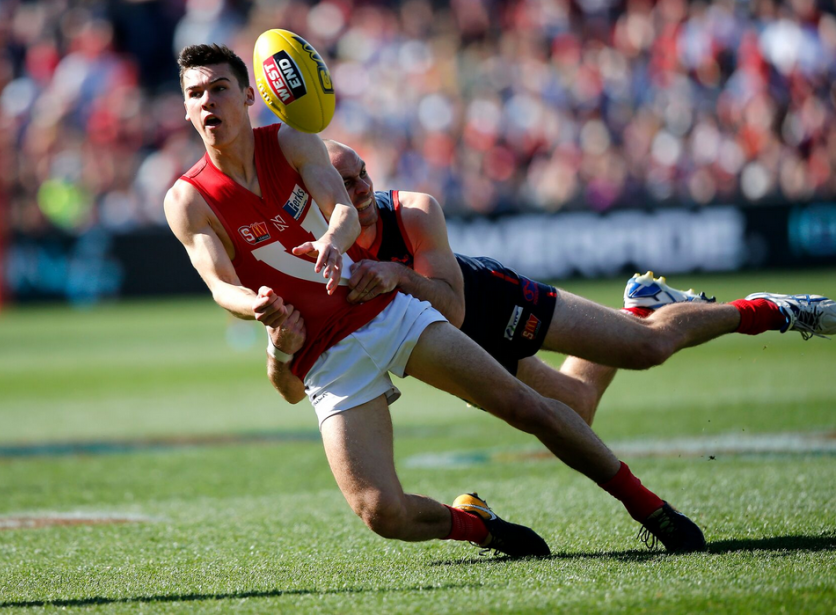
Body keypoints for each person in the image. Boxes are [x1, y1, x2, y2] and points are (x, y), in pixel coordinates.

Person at [164, 43, 708, 557]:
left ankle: (649, 509)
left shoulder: (292, 141)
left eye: (218, 88)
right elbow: (219, 284)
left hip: (380, 308)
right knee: (382, 512)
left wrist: (333, 237)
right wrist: (255, 303)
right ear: (186, 109)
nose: (207, 101)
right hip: (326, 358)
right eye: (195, 94)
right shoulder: (187, 199)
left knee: (528, 406)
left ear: (247, 96)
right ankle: (478, 526)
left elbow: (345, 212)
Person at [264, 140, 836, 425]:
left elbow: (454, 309)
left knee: (648, 349)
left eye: (362, 173)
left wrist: (392, 274)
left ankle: (772, 309)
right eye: (344, 181)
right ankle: (643, 304)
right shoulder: (313, 248)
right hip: (462, 349)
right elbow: (295, 377)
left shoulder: (411, 211)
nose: (360, 187)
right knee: (578, 407)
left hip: (490, 304)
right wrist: (280, 345)